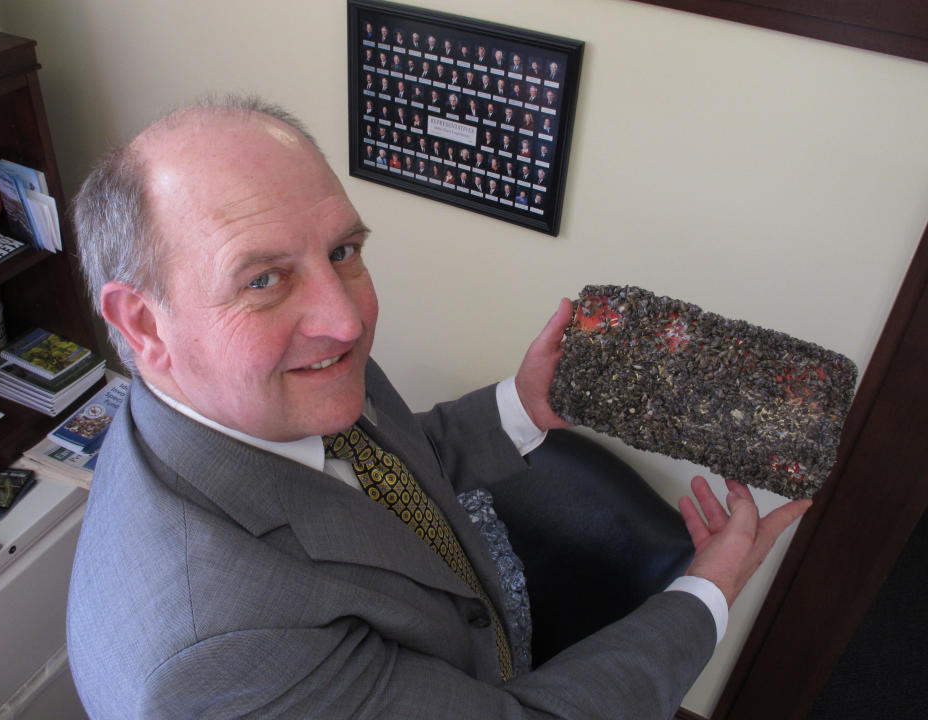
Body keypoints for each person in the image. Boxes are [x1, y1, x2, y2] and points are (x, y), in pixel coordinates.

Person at [67, 96, 811, 719]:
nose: (349, 320)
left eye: (343, 250)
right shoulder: (221, 658)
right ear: (142, 323)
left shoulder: (265, 389)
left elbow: (377, 466)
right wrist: (710, 589)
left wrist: (522, 405)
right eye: (264, 279)